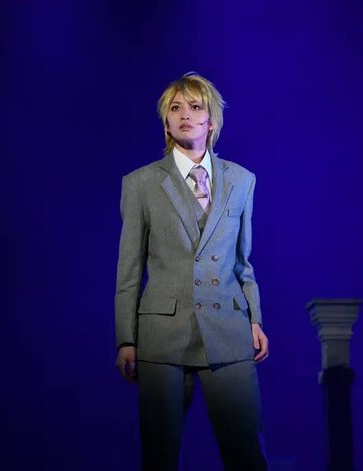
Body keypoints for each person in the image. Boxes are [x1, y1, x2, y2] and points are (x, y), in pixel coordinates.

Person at [114, 72, 269, 470]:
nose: (185, 114)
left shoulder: (241, 180)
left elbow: (243, 261)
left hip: (228, 329)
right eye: (175, 108)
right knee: (160, 455)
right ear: (166, 123)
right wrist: (126, 339)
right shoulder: (141, 184)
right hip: (162, 336)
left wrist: (254, 318)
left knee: (247, 454)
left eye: (195, 107)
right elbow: (129, 269)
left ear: (211, 121)